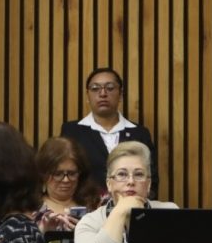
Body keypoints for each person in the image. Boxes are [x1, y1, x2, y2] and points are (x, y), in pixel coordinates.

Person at [74, 141, 178, 243]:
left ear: (149, 184)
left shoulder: (169, 213)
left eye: (139, 174)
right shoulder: (90, 222)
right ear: (109, 184)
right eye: (122, 174)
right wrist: (119, 213)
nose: (130, 181)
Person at [61, 67, 159, 198]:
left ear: (120, 94)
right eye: (95, 88)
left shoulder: (140, 133)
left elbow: (151, 178)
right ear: (87, 96)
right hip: (86, 208)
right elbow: (65, 174)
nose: (102, 93)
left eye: (110, 88)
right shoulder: (72, 131)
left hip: (132, 206)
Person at [34, 136, 101, 232]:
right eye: (58, 174)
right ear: (44, 174)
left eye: (72, 173)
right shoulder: (30, 208)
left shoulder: (96, 205)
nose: (66, 180)